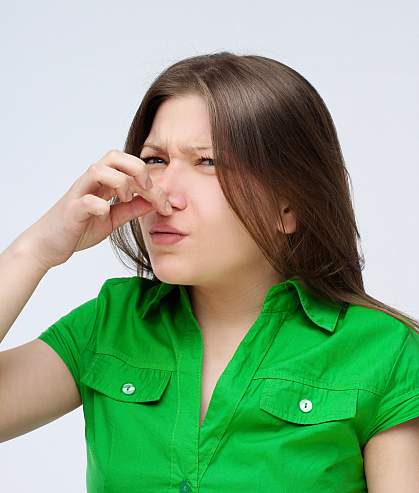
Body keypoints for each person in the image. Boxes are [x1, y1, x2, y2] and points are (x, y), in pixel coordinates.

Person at [0, 51, 418, 492]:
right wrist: (35, 250)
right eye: (155, 160)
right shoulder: (109, 327)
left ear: (289, 207)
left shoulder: (385, 354)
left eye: (208, 162)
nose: (163, 193)